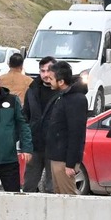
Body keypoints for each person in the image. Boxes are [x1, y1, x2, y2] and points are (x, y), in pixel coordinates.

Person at [41, 59, 90, 195]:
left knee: (68, 197)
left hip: (64, 160)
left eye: (51, 78)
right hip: (56, 156)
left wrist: (70, 163)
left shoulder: (76, 100)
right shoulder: (62, 96)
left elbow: (76, 133)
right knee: (58, 196)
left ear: (61, 82)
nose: (48, 81)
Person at [22, 55, 57, 192]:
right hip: (35, 145)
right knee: (29, 185)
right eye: (42, 71)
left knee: (52, 187)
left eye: (49, 70)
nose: (46, 74)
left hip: (54, 147)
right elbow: (25, 115)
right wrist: (25, 141)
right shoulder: (32, 89)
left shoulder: (62, 91)